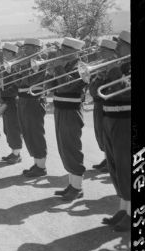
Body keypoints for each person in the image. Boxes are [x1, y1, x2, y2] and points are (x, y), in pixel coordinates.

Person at [46, 37, 87, 201]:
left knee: (72, 147)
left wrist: (58, 70)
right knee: (64, 147)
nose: (61, 52)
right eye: (62, 49)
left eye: (65, 50)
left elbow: (67, 86)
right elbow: (52, 87)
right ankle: (72, 184)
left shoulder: (81, 67)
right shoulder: (64, 65)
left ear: (74, 52)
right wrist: (50, 73)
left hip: (71, 110)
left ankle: (78, 187)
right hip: (61, 108)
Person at [99, 30, 131, 231]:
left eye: (120, 44)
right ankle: (123, 208)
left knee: (126, 167)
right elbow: (96, 93)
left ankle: (132, 213)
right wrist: (99, 75)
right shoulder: (117, 65)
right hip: (110, 119)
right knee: (114, 167)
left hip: (125, 121)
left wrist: (112, 70)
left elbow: (127, 90)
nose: (116, 47)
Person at [16, 39, 48, 178]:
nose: (24, 50)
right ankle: (37, 163)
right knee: (27, 132)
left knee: (35, 133)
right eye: (24, 48)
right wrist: (18, 69)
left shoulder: (40, 63)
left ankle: (41, 167)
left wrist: (24, 69)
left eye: (28, 48)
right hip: (24, 100)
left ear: (37, 49)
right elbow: (18, 83)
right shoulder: (26, 62)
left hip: (34, 100)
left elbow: (31, 82)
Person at [88, 38, 117, 172]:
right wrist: (98, 76)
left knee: (108, 133)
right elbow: (93, 90)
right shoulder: (101, 66)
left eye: (103, 51)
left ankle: (112, 161)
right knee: (100, 132)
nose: (100, 54)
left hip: (109, 105)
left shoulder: (116, 67)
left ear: (112, 53)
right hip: (98, 104)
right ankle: (107, 158)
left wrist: (104, 75)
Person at [0, 42, 23, 164]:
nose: (3, 54)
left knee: (13, 127)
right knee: (7, 128)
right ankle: (13, 151)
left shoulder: (16, 66)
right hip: (6, 98)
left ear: (12, 53)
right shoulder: (6, 65)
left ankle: (17, 154)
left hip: (13, 99)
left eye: (6, 52)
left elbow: (17, 84)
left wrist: (6, 92)